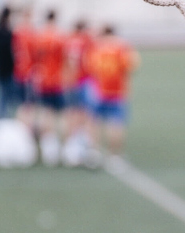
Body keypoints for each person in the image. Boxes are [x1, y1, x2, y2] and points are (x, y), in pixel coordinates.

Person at [86, 25, 139, 163]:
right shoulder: (121, 47)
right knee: (116, 123)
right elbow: (132, 65)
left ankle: (94, 152)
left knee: (94, 122)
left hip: (99, 90)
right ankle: (115, 155)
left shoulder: (96, 46)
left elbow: (89, 67)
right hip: (117, 90)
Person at [31, 10, 68, 165]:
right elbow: (65, 59)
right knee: (60, 114)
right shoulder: (60, 37)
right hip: (57, 79)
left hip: (44, 79)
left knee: (46, 113)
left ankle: (48, 147)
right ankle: (60, 146)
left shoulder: (39, 36)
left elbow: (35, 58)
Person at [62, 20, 96, 165]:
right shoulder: (87, 40)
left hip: (70, 81)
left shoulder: (68, 40)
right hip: (84, 80)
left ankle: (70, 143)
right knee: (87, 113)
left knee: (71, 112)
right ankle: (87, 143)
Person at [12, 8, 37, 127]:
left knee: (23, 102)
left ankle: (22, 124)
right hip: (26, 71)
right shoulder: (29, 33)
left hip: (20, 70)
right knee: (27, 103)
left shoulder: (18, 32)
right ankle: (25, 126)